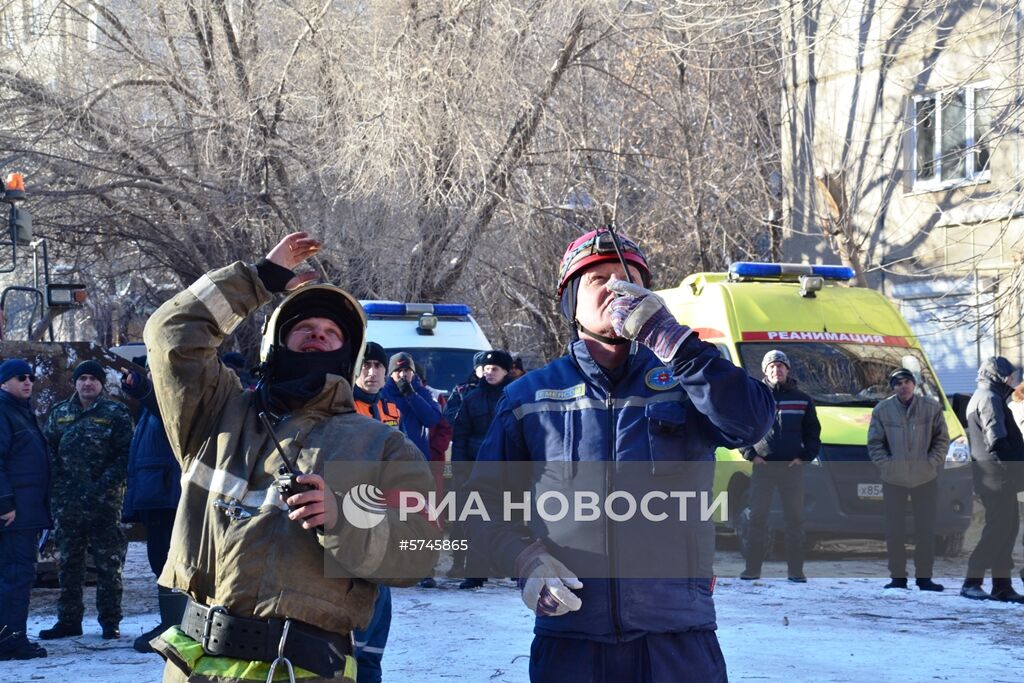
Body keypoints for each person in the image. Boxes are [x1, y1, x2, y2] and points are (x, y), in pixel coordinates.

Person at [470, 228, 775, 683]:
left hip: (677, 637)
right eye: (599, 280)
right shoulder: (528, 397)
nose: (617, 289)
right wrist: (524, 560)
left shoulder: (684, 379)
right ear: (570, 302)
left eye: (629, 279)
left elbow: (754, 424)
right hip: (571, 639)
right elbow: (480, 507)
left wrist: (675, 342)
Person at [142, 231, 439, 682]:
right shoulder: (217, 412)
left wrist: (344, 519)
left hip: (304, 668)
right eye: (304, 329)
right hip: (196, 663)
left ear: (348, 356)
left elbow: (421, 551)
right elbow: (171, 335)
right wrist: (259, 278)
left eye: (331, 333)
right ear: (275, 343)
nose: (317, 335)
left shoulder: (383, 444)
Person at [40, 360, 133, 641]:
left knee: (108, 563)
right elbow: (49, 454)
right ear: (75, 383)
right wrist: (61, 489)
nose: (87, 383)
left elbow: (125, 455)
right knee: (69, 563)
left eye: (93, 379)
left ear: (102, 384)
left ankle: (109, 621)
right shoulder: (59, 413)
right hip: (68, 503)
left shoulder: (116, 413)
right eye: (82, 379)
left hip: (104, 502)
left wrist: (102, 486)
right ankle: (68, 620)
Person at [119, 358, 188, 653]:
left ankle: (177, 626)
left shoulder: (173, 400)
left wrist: (143, 389)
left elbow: (166, 412)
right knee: (159, 562)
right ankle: (171, 622)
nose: (152, 375)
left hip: (168, 498)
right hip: (154, 499)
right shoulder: (148, 410)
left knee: (168, 563)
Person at [739, 349, 821, 582]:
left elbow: (813, 434)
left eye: (781, 366)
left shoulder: (803, 399)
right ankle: (752, 569)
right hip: (763, 468)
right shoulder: (755, 397)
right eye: (772, 366)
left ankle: (796, 571)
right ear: (765, 371)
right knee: (757, 519)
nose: (777, 370)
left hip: (791, 470)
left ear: (788, 370)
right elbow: (742, 429)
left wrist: (803, 457)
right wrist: (751, 455)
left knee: (795, 520)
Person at [867, 367, 949, 592]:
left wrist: (931, 462)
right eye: (898, 383)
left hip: (926, 478)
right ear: (892, 387)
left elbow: (942, 439)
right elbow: (875, 444)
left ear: (914, 384)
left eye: (907, 382)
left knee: (926, 529)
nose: (903, 386)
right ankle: (898, 578)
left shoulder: (931, 407)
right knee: (895, 530)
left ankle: (925, 578)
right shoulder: (882, 410)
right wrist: (888, 466)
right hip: (894, 479)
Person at [350, 341, 400, 683]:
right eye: (365, 366)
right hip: (350, 523)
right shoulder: (341, 407)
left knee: (376, 632)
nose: (371, 372)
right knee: (351, 633)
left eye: (377, 366)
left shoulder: (391, 409)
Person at [450, 349, 514, 589]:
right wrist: (460, 471)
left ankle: (510, 567)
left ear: (505, 372)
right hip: (476, 469)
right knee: (475, 519)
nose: (489, 373)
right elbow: (461, 435)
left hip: (509, 467)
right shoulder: (472, 398)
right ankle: (475, 572)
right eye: (486, 369)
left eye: (494, 369)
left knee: (510, 518)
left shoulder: (514, 396)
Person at [962, 356, 1024, 602]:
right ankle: (971, 581)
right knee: (998, 530)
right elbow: (996, 439)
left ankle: (1002, 586)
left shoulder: (985, 396)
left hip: (995, 476)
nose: (1012, 380)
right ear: (998, 375)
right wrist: (1013, 468)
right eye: (1008, 375)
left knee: (1007, 529)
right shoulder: (989, 399)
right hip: (996, 477)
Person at [0, 359, 50, 661]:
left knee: (13, 574)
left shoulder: (21, 411)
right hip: (15, 514)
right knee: (17, 575)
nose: (28, 382)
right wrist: (5, 504)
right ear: (5, 382)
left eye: (31, 377)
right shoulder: (5, 411)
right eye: (21, 377)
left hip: (24, 511)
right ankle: (11, 639)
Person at [381, 353, 442, 460]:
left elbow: (432, 419)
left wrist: (411, 395)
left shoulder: (424, 392)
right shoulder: (382, 394)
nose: (402, 374)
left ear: (413, 372)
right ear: (391, 374)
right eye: (398, 371)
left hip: (418, 457)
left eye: (406, 370)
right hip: (390, 459)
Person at [443, 352, 485, 426]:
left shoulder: (503, 389)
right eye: (483, 368)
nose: (488, 371)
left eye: (493, 368)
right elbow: (450, 415)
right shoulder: (461, 390)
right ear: (476, 369)